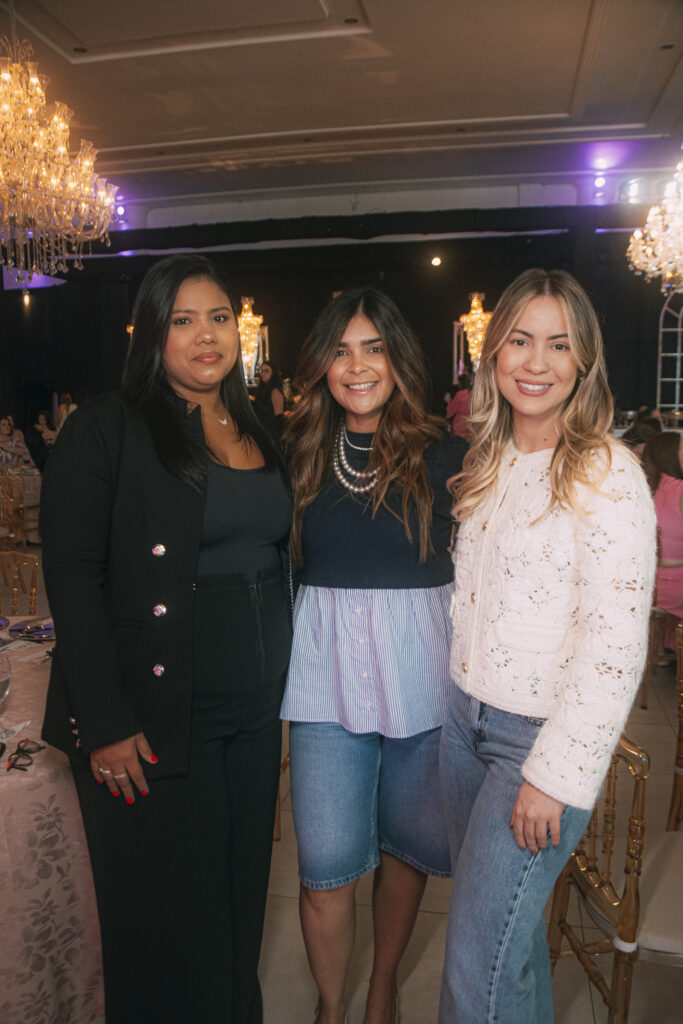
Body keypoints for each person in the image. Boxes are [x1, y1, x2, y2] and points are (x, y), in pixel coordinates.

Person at [41, 254, 292, 1024]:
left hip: (251, 720)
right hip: (151, 717)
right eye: (182, 320)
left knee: (235, 907)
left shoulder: (257, 424)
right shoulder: (106, 428)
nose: (206, 336)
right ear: (151, 333)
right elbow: (74, 582)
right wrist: (107, 722)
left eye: (219, 317)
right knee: (163, 926)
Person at [439, 268, 656, 1024]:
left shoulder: (607, 473)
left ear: (583, 361)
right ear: (492, 355)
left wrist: (555, 776)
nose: (535, 362)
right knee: (510, 947)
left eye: (557, 345)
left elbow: (614, 643)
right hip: (461, 725)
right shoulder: (488, 461)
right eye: (519, 341)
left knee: (473, 972)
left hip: (532, 749)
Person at [281, 287, 468, 1024]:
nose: (356, 366)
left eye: (373, 347)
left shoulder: (447, 453)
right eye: (339, 349)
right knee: (324, 866)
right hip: (323, 681)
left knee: (407, 848)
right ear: (321, 364)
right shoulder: (294, 452)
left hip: (422, 677)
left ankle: (382, 985)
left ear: (398, 357)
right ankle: (332, 1007)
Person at [642, 431, 683, 651]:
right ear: (671, 455)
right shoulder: (680, 490)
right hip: (677, 591)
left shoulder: (644, 487)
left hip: (648, 587)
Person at [445, 373, 472, 439]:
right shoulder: (472, 393)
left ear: (460, 383)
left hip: (459, 423)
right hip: (469, 423)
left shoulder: (460, 394)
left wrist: (448, 401)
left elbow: (451, 410)